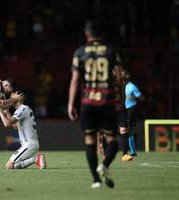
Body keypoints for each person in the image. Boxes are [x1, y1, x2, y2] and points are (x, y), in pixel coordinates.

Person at [68, 20, 123, 189]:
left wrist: (71, 104)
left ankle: (96, 180)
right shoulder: (111, 51)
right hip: (106, 101)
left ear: (87, 34)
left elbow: (75, 79)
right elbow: (120, 77)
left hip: (87, 102)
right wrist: (119, 96)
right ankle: (104, 165)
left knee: (90, 141)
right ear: (102, 34)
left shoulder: (79, 52)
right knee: (113, 140)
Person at [0, 92, 46, 170]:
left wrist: (0, 111)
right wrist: (7, 112)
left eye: (12, 98)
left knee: (8, 166)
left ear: (19, 98)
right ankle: (36, 159)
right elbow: (15, 126)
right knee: (14, 166)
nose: (10, 100)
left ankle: (35, 159)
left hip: (28, 145)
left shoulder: (22, 109)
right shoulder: (23, 109)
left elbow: (7, 124)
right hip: (30, 144)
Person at [123, 70, 144, 157]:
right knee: (127, 130)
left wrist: (134, 97)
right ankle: (132, 150)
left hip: (130, 109)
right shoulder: (121, 86)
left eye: (124, 74)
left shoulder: (132, 87)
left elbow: (142, 98)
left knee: (128, 130)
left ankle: (132, 151)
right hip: (123, 110)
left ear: (127, 76)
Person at [115, 70, 133, 162]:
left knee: (124, 130)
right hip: (110, 109)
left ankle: (125, 154)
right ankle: (105, 154)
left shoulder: (125, 84)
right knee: (106, 132)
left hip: (121, 109)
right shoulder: (110, 83)